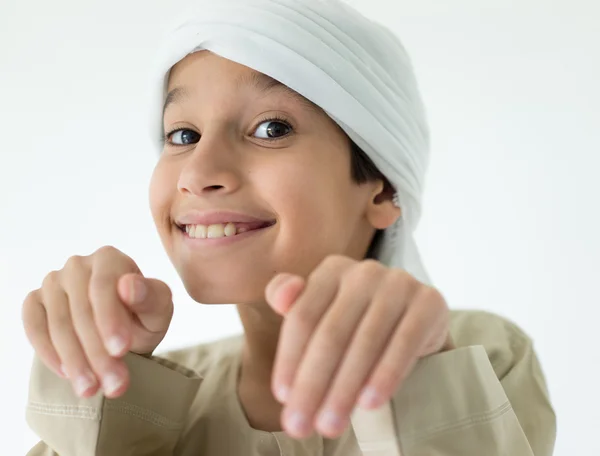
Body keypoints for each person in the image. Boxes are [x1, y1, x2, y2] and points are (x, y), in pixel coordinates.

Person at [22, 0, 556, 455]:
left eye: (271, 128)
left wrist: (422, 382)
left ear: (383, 188)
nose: (199, 174)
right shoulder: (133, 394)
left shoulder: (481, 357)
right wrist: (103, 383)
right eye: (182, 135)